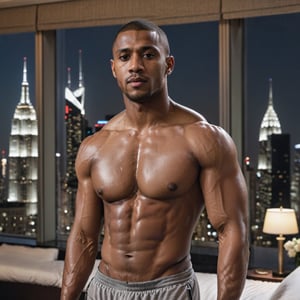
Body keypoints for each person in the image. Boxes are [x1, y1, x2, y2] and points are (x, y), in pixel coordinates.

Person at [61, 19, 249, 300]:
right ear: (114, 68)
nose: (135, 65)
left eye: (148, 54)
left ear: (168, 65)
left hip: (167, 289)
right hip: (104, 288)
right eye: (125, 57)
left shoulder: (203, 139)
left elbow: (233, 230)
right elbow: (84, 236)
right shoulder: (94, 147)